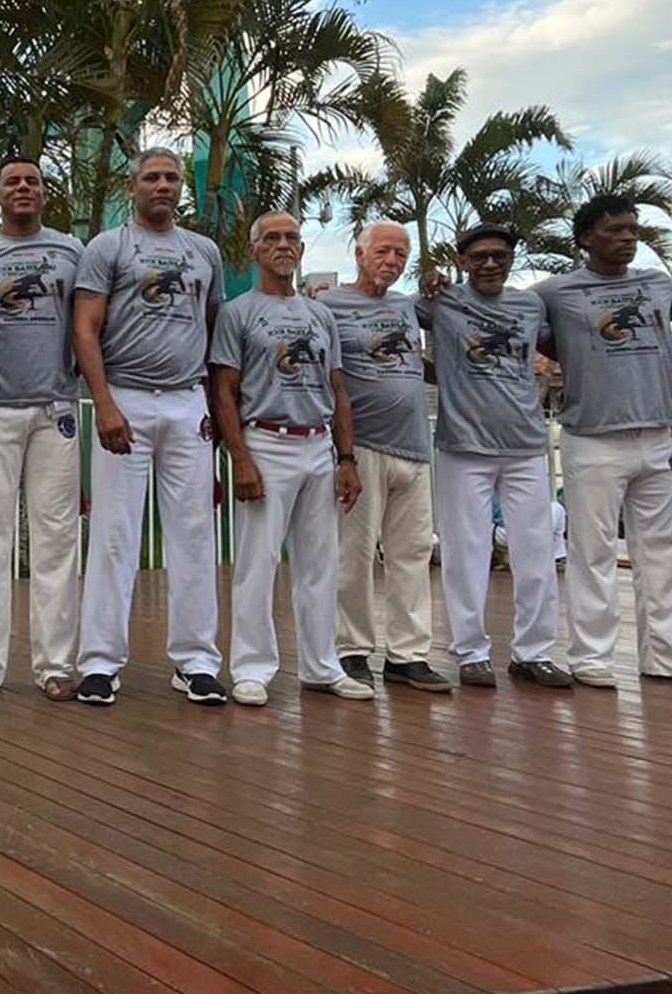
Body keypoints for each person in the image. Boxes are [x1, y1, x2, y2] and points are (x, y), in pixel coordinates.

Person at [533, 196, 672, 690]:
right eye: (615, 230)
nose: (627, 238)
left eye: (632, 230)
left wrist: (666, 358)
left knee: (664, 552)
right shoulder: (555, 290)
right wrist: (574, 354)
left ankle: (666, 655)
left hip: (658, 435)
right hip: (592, 438)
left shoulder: (658, 284)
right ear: (585, 239)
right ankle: (591, 656)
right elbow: (514, 321)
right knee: (592, 551)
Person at [70, 149, 227, 707]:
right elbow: (85, 330)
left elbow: (214, 332)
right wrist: (105, 403)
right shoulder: (108, 247)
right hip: (126, 399)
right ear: (131, 185)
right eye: (152, 177)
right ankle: (99, 662)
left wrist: (214, 408)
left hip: (188, 403)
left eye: (172, 178)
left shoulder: (204, 251)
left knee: (194, 535)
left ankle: (197, 661)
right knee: (114, 535)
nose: (163, 185)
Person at [211, 211, 370, 705]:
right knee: (257, 563)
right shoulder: (238, 312)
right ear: (255, 250)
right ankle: (251, 668)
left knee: (321, 564)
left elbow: (337, 389)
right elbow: (224, 389)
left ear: (302, 250)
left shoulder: (320, 316)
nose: (284, 245)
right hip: (266, 441)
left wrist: (347, 458)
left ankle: (321, 666)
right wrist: (240, 457)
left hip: (318, 444)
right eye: (273, 238)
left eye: (292, 238)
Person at [0, 156, 87, 702]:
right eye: (13, 182)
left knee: (57, 537)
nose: (23, 187)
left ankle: (55, 664)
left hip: (56, 409)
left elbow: (89, 323)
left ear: (45, 193)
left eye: (32, 181)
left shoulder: (72, 250)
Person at [418, 224, 571, 689]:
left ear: (511, 260)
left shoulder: (530, 305)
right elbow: (392, 317)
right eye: (479, 256)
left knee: (537, 550)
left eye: (499, 256)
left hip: (525, 444)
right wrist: (427, 281)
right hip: (464, 447)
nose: (489, 264)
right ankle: (470, 652)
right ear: (462, 261)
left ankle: (533, 652)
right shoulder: (441, 302)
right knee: (466, 552)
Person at [317, 222, 445, 692]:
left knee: (413, 552)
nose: (392, 261)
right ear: (359, 254)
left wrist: (436, 285)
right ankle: (351, 648)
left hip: (414, 446)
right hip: (362, 447)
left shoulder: (407, 306)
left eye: (401, 254)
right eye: (383, 251)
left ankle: (408, 654)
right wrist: (342, 454)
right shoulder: (328, 305)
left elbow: (446, 306)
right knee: (353, 554)